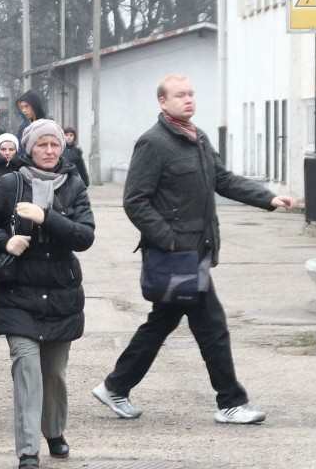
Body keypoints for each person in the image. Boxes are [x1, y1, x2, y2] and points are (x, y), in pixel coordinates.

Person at [92, 73, 296, 425]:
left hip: (195, 253)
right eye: (180, 95)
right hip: (177, 256)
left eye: (191, 94)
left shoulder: (197, 138)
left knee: (162, 323)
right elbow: (135, 201)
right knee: (211, 326)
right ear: (163, 102)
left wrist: (267, 197)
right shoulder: (153, 143)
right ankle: (231, 402)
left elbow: (224, 180)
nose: (188, 100)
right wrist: (168, 239)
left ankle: (115, 386)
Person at [0, 119, 95, 469]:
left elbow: (85, 236)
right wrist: (3, 241)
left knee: (54, 373)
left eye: (54, 145)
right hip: (18, 293)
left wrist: (47, 217)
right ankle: (27, 450)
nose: (49, 151)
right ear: (29, 150)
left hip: (61, 294)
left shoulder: (74, 185)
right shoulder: (10, 183)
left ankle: (53, 431)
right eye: (42, 145)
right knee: (27, 369)